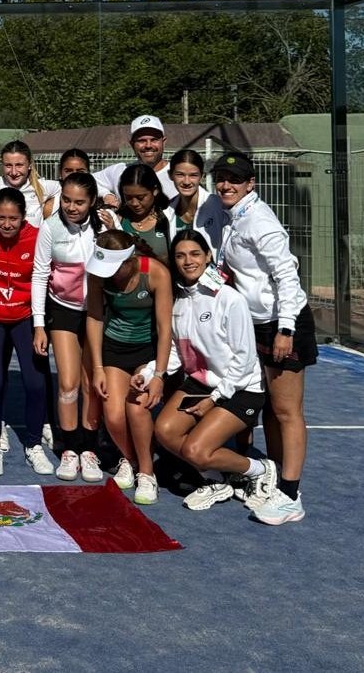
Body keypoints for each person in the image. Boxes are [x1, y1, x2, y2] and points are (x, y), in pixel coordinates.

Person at [211, 151, 316, 525]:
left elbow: (287, 276)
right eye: (221, 177)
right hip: (255, 323)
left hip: (281, 323)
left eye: (234, 179)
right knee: (270, 407)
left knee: (287, 411)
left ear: (250, 183)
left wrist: (285, 328)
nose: (225, 184)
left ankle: (291, 495)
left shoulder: (260, 220)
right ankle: (273, 477)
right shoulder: (230, 215)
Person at [152, 229, 279, 512]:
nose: (188, 261)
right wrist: (151, 372)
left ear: (208, 256)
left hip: (242, 388)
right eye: (181, 256)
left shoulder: (229, 298)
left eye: (195, 254)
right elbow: (177, 352)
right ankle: (215, 481)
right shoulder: (179, 301)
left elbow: (245, 359)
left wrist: (215, 398)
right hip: (201, 384)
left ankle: (260, 469)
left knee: (195, 450)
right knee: (164, 431)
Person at [0, 188, 55, 478]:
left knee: (35, 382)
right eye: (1, 218)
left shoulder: (37, 237)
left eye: (13, 219)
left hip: (25, 316)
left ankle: (33, 445)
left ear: (23, 218)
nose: (7, 225)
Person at [85, 229, 173, 505]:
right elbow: (95, 318)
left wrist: (158, 373)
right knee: (112, 415)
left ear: (130, 260)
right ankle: (131, 459)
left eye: (114, 268)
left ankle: (147, 473)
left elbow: (164, 326)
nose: (108, 273)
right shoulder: (99, 274)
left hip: (146, 351)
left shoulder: (156, 273)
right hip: (114, 348)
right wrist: (97, 367)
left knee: (136, 408)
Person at [31, 171, 105, 482]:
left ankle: (89, 449)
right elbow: (39, 274)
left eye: (79, 202)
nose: (72, 207)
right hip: (62, 310)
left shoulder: (105, 225)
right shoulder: (49, 227)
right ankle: (70, 449)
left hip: (97, 313)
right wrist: (38, 324)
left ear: (91, 202)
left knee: (91, 383)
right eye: (66, 200)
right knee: (69, 383)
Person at [94, 115, 178, 204]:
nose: (148, 145)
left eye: (154, 140)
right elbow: (88, 181)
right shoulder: (120, 171)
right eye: (141, 141)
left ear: (163, 142)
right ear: (132, 144)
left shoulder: (179, 175)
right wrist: (106, 195)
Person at [0, 140, 60, 227]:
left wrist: (49, 211)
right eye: (8, 165)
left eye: (19, 165)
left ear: (30, 165)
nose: (14, 172)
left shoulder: (43, 187)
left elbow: (67, 189)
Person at [165, 149, 224, 255]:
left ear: (202, 176)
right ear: (170, 175)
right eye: (180, 174)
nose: (186, 182)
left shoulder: (218, 206)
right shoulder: (166, 210)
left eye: (193, 175)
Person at [117, 163, 173, 261]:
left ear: (155, 190)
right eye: (128, 197)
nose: (134, 203)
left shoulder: (169, 218)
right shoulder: (117, 220)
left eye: (140, 197)